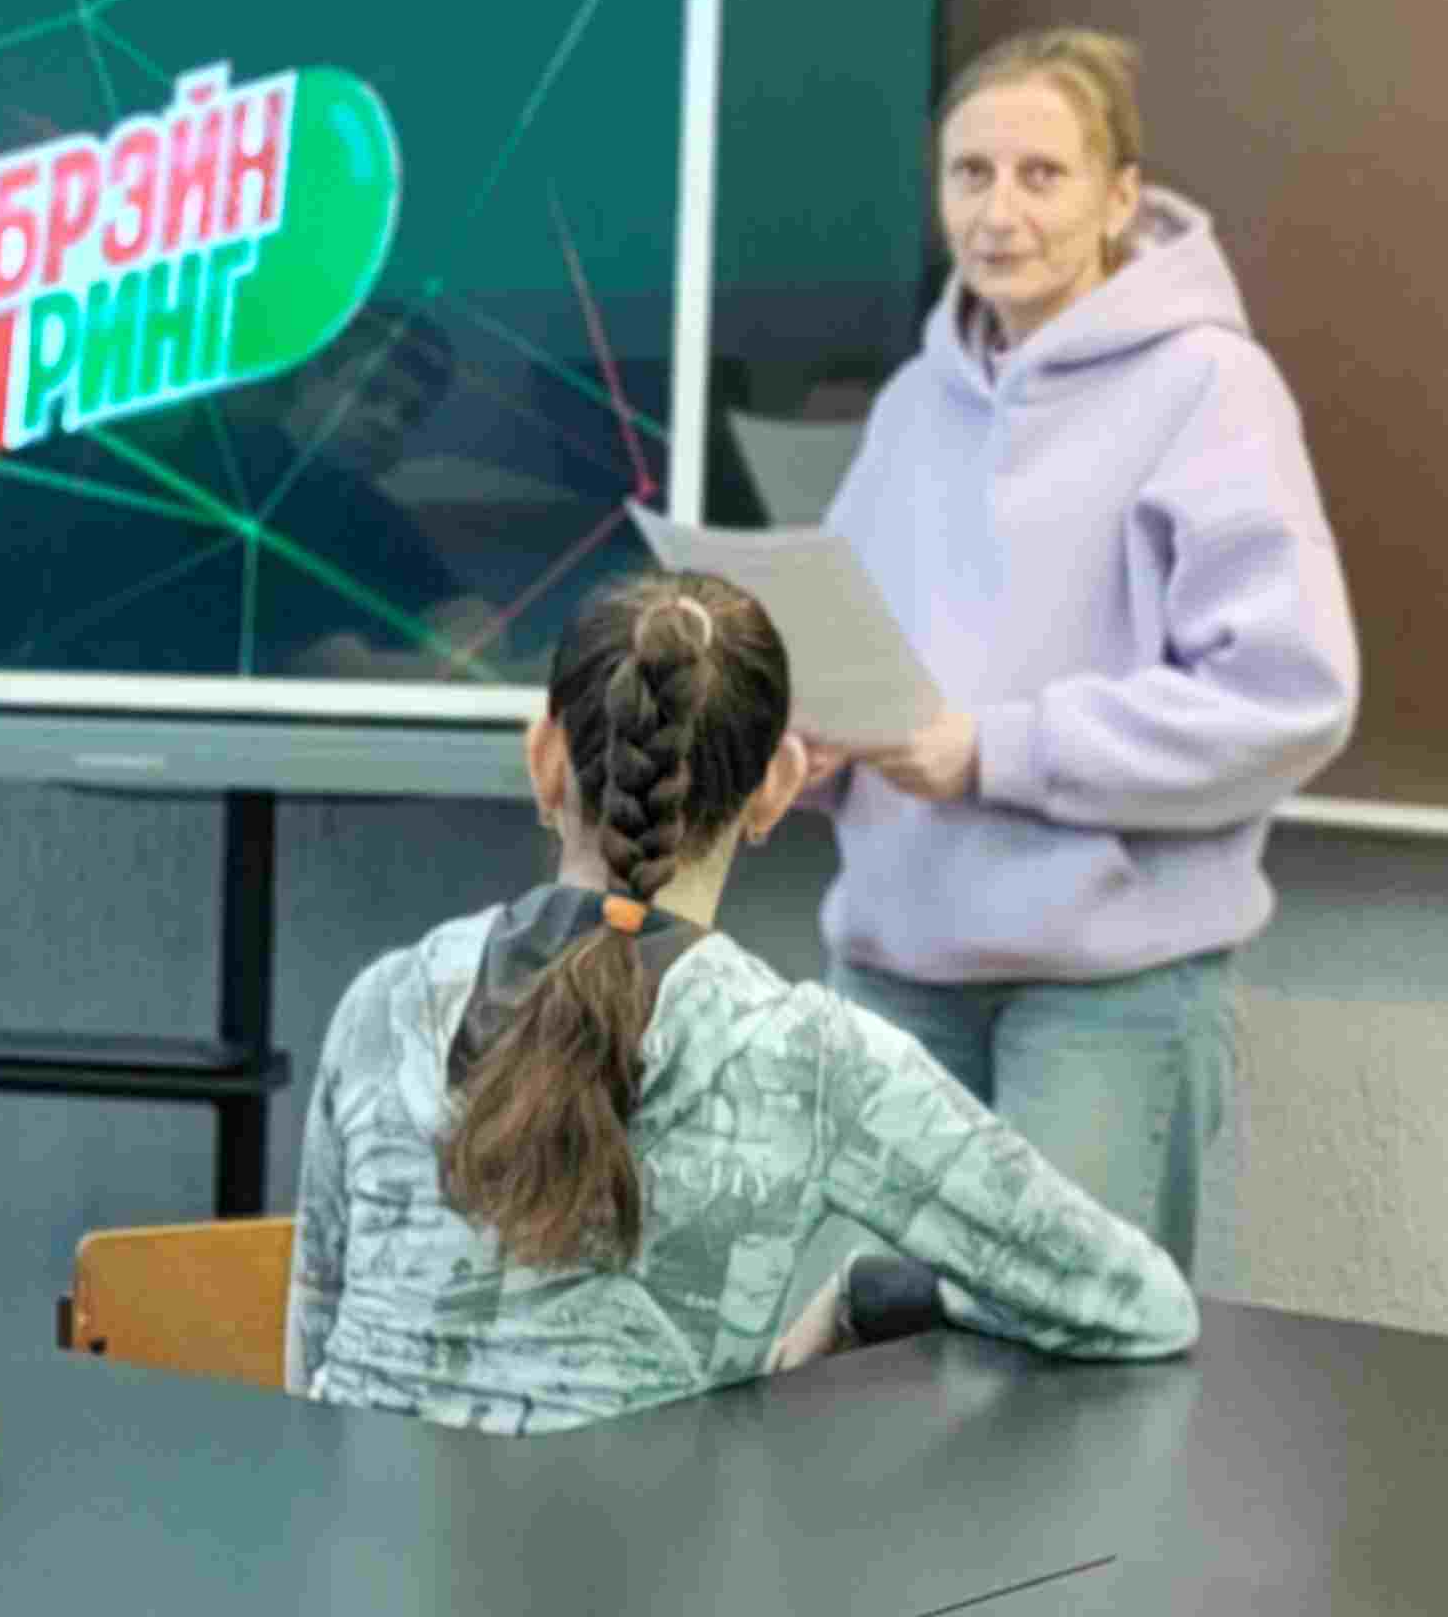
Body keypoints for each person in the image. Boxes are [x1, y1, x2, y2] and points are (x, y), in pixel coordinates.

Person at [289, 570, 1197, 1433]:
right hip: (636, 1551)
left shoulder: (383, 1003)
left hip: (354, 1542)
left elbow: (313, 1359)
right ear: (777, 787)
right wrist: (874, 1294)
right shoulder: (813, 1059)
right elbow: (1139, 1304)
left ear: (545, 759)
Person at [809, 28, 1358, 1269]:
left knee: (1056, 1368)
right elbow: (856, 656)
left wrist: (993, 752)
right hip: (892, 975)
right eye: (970, 174)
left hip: (1104, 1000)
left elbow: (1284, 699)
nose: (999, 213)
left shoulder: (1210, 388)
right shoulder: (913, 405)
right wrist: (811, 743)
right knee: (857, 1360)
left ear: (1120, 199)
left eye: (1042, 175)